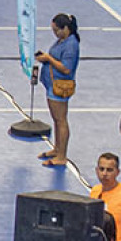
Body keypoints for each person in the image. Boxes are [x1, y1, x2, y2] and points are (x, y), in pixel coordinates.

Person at [34, 13, 80, 168]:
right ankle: (57, 149)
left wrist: (48, 59)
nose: (54, 33)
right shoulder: (62, 40)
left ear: (65, 28)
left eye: (56, 30)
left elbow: (66, 68)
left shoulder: (71, 45)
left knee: (61, 121)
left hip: (60, 87)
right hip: (52, 85)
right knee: (56, 120)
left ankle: (62, 156)